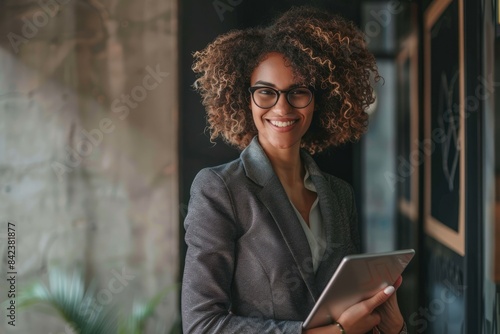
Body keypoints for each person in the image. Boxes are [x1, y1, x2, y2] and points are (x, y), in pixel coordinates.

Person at [181, 6, 408, 334]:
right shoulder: (220, 190)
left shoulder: (340, 195)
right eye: (266, 92)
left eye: (298, 91)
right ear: (247, 100)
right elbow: (202, 325)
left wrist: (392, 327)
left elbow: (348, 308)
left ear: (319, 100)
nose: (282, 107)